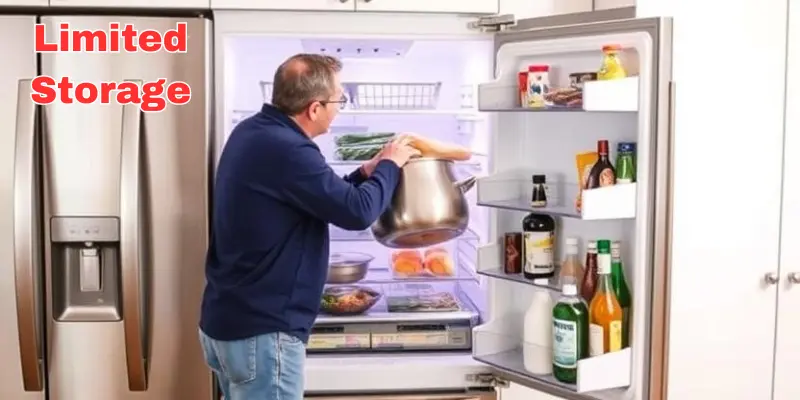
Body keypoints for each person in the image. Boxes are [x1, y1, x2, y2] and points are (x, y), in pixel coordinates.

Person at [198, 53, 419, 400]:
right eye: (339, 100)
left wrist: (366, 172)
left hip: (231, 321)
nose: (340, 107)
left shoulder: (256, 132)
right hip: (263, 333)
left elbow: (317, 195)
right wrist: (390, 164)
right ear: (314, 108)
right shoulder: (288, 148)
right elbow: (357, 212)